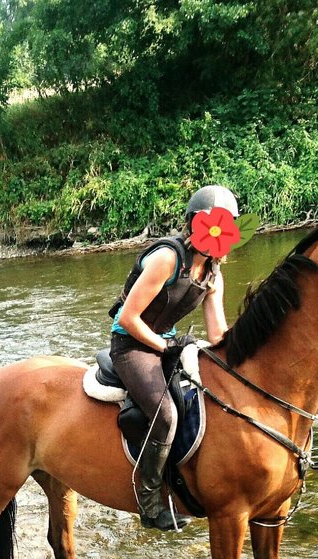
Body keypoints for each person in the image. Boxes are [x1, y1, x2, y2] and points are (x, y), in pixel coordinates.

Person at [109, 184, 239, 530]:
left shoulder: (213, 274)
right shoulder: (167, 258)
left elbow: (217, 335)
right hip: (132, 345)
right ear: (194, 224)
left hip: (168, 343)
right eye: (209, 224)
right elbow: (127, 318)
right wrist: (166, 347)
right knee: (165, 415)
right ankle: (149, 504)